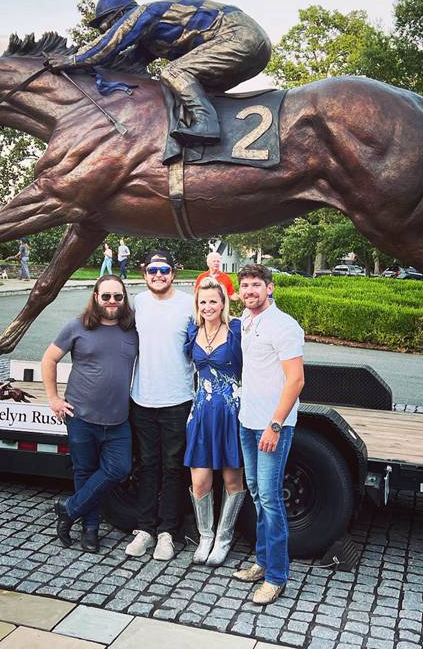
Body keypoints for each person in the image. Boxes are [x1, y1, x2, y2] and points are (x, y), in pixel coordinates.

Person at [64, 0, 272, 147]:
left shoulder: (143, 13)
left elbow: (109, 45)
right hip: (251, 45)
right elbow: (125, 66)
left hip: (239, 36)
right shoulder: (151, 39)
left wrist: (73, 60)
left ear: (120, 14)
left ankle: (207, 125)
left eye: (105, 25)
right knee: (185, 94)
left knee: (173, 72)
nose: (106, 30)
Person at [44, 275, 138, 552]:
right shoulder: (77, 326)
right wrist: (53, 398)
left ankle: (69, 509)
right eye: (106, 296)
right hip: (81, 417)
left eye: (117, 297)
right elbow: (49, 359)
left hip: (119, 419)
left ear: (124, 299)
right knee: (85, 472)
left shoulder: (132, 330)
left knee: (120, 468)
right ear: (96, 296)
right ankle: (90, 530)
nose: (112, 302)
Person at [233, 264, 304, 605]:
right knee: (258, 495)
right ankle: (261, 562)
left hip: (272, 426)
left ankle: (277, 576)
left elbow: (296, 380)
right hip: (248, 421)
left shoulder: (284, 326)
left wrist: (275, 425)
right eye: (245, 285)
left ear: (270, 288)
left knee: (272, 501)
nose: (250, 291)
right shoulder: (247, 321)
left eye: (256, 285)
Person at [125, 250, 195, 562]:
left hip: (177, 399)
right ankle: (145, 530)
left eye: (164, 269)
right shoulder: (138, 303)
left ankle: (167, 532)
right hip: (142, 397)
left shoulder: (187, 303)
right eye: (153, 270)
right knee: (147, 465)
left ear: (173, 273)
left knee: (173, 467)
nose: (158, 275)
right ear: (144, 273)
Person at [184, 277, 245, 565]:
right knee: (200, 481)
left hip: (231, 412)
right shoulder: (192, 331)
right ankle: (205, 536)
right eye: (203, 301)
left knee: (232, 479)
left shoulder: (235, 330)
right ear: (198, 304)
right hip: (202, 412)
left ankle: (223, 539)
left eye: (213, 301)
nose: (208, 306)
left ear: (223, 303)